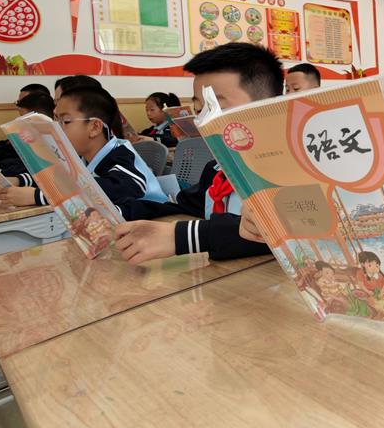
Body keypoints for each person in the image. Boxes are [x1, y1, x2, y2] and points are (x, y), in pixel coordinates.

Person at [115, 43, 282, 264]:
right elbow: (179, 205)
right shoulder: (216, 170)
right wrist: (117, 212)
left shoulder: (290, 172)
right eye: (199, 110)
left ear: (268, 107)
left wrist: (182, 237)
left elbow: (274, 231)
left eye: (217, 108)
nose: (203, 122)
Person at [1, 86, 167, 209]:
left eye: (65, 122)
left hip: (153, 227)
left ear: (94, 127)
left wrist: (40, 196)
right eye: (56, 121)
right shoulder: (82, 155)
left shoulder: (121, 155)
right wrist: (19, 180)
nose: (57, 129)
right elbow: (58, 175)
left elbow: (120, 187)